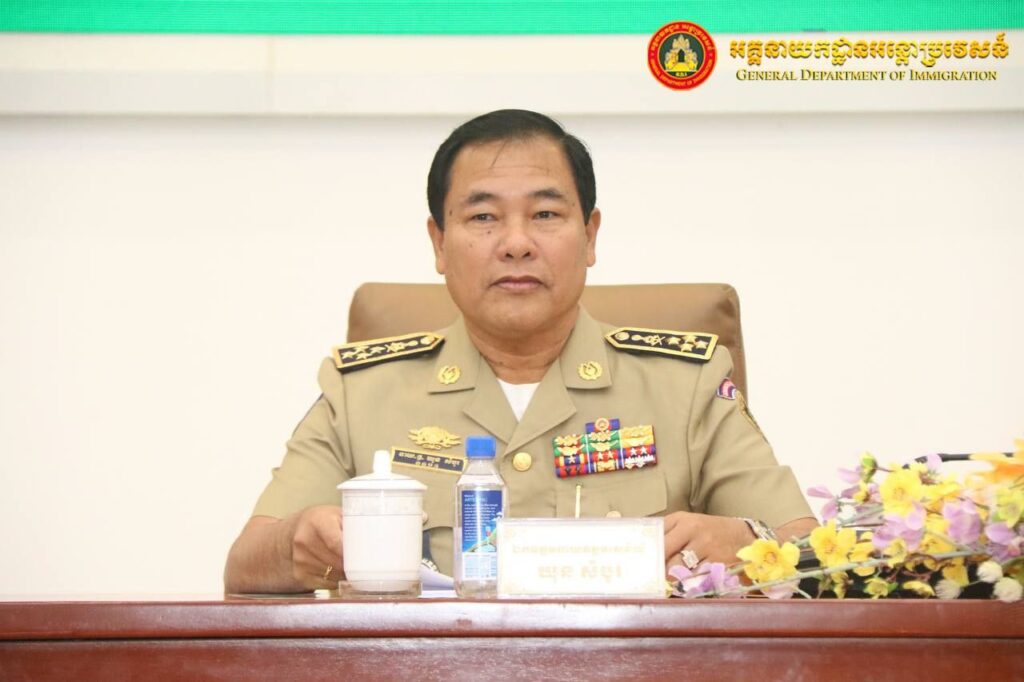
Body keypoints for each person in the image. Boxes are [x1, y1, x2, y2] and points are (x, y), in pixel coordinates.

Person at [224, 110, 816, 593]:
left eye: (545, 214)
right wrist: (300, 542)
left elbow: (814, 555)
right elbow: (246, 566)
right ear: (438, 243)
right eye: (483, 216)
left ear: (590, 236)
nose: (515, 243)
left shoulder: (685, 383)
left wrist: (747, 542)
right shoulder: (361, 392)